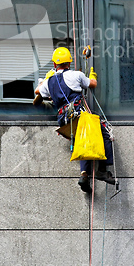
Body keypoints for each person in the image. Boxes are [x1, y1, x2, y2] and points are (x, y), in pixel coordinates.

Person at [34, 46, 114, 193]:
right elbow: (92, 84)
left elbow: (37, 92)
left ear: (54, 64)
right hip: (77, 114)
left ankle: (84, 175)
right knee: (105, 134)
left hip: (64, 121)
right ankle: (103, 169)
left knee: (82, 141)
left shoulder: (49, 81)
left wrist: (46, 79)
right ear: (69, 63)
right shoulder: (76, 75)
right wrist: (92, 75)